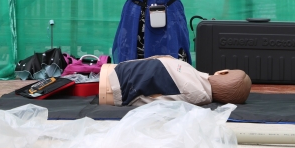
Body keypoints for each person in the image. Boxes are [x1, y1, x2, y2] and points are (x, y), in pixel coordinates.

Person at [98, 56, 252, 106]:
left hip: (114, 83)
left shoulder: (192, 84)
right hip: (117, 82)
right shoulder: (197, 88)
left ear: (223, 72)